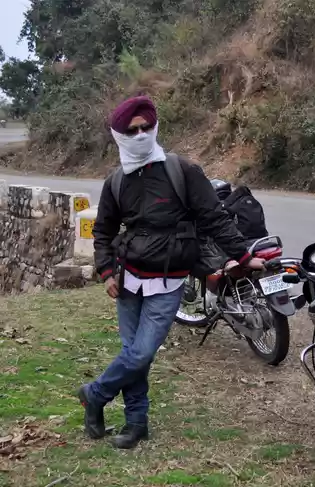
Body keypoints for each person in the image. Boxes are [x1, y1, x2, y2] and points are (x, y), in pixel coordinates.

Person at [78, 95, 264, 449]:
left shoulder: (182, 171)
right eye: (132, 131)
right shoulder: (116, 181)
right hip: (128, 279)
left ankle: (95, 394)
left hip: (168, 280)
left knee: (141, 354)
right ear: (119, 136)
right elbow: (103, 231)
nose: (141, 135)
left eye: (146, 127)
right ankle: (136, 424)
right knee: (133, 354)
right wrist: (106, 271)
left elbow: (214, 217)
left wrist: (241, 255)